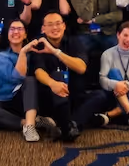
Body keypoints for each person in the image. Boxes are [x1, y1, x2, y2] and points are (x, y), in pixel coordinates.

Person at [0, 21, 48, 142]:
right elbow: (15, 77)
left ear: (25, 34)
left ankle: (30, 127)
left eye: (20, 29)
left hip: (22, 101)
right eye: (12, 29)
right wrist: (23, 52)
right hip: (1, 101)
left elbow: (23, 79)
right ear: (7, 33)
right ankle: (27, 123)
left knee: (29, 81)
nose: (16, 32)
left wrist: (25, 52)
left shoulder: (33, 55)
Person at [26, 11, 88, 141]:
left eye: (58, 24)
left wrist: (56, 52)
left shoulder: (73, 41)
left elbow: (81, 68)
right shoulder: (38, 45)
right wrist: (52, 83)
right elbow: (38, 72)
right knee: (57, 76)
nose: (55, 28)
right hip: (50, 97)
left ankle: (67, 123)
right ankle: (67, 129)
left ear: (64, 26)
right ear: (43, 28)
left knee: (100, 96)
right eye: (50, 24)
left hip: (73, 94)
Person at [85, 22, 129, 129]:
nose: (128, 40)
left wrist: (125, 86)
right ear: (118, 35)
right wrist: (117, 85)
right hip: (112, 94)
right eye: (125, 35)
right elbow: (102, 80)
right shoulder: (107, 54)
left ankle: (110, 115)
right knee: (114, 72)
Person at [68, 0, 121, 80]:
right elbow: (86, 15)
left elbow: (118, 15)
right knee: (77, 54)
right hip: (85, 33)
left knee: (116, 54)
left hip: (107, 33)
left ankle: (118, 87)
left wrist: (94, 20)